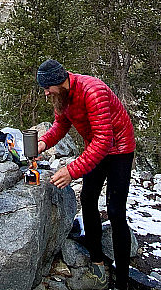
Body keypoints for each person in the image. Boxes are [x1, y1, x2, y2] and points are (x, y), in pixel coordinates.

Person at [35, 58, 135, 290]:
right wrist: (43, 142)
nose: (46, 93)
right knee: (88, 199)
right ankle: (97, 260)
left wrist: (72, 170)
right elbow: (61, 125)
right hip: (96, 146)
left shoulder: (92, 91)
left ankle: (122, 281)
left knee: (116, 210)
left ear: (58, 82)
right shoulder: (63, 96)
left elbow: (105, 140)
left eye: (47, 88)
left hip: (119, 148)